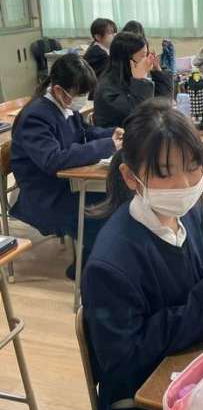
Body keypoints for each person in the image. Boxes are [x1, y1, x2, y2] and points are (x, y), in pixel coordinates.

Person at [82, 98, 203, 410]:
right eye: (164, 173)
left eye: (193, 166)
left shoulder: (185, 212)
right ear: (130, 178)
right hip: (148, 402)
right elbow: (124, 358)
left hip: (195, 368)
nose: (185, 184)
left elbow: (201, 263)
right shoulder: (110, 264)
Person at [11, 54, 122, 277]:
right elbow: (53, 160)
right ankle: (87, 269)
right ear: (58, 90)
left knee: (116, 196)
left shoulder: (64, 106)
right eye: (79, 94)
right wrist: (107, 146)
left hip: (66, 183)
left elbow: (84, 133)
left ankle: (96, 259)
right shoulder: (36, 116)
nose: (82, 99)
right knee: (101, 209)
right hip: (45, 194)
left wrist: (112, 134)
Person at [94, 32, 173, 128]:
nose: (148, 60)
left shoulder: (133, 77)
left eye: (147, 54)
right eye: (143, 56)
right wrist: (140, 81)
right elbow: (140, 117)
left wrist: (158, 72)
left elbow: (164, 105)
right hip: (121, 135)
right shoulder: (107, 88)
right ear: (127, 60)